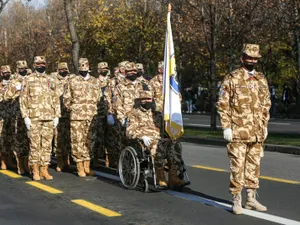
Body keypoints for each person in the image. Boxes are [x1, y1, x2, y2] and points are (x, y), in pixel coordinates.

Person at [217, 44, 271, 215]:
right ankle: (237, 199)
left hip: (256, 133)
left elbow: (266, 105)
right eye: (249, 58)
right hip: (238, 131)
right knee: (237, 166)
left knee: (254, 166)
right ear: (242, 58)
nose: (252, 61)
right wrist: (226, 127)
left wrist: (265, 125)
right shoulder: (232, 78)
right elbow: (222, 104)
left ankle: (251, 198)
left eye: (255, 58)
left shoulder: (261, 79)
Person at [20, 56, 61, 181]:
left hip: (49, 116)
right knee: (35, 144)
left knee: (47, 145)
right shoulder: (28, 79)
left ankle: (44, 169)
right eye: (38, 64)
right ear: (34, 65)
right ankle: (35, 170)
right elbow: (23, 99)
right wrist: (25, 116)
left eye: (43, 63)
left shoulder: (51, 79)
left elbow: (56, 98)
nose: (41, 65)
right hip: (34, 117)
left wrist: (57, 115)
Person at [150, 61, 185, 189]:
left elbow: (178, 97)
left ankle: (173, 177)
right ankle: (160, 177)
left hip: (171, 120)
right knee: (160, 149)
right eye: (165, 68)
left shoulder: (172, 82)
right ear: (160, 70)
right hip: (158, 120)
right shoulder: (152, 83)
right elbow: (149, 102)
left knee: (175, 147)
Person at [63, 58, 101, 177]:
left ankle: (87, 166)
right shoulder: (72, 81)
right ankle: (79, 166)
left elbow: (99, 98)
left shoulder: (95, 81)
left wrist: (92, 108)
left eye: (86, 66)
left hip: (91, 116)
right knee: (77, 141)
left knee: (90, 140)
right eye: (81, 66)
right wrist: (74, 109)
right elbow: (66, 99)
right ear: (79, 67)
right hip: (77, 117)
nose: (84, 68)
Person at [4, 61, 30, 174]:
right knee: (19, 140)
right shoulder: (13, 82)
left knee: (29, 140)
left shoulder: (31, 80)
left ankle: (27, 164)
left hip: (29, 115)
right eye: (21, 68)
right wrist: (17, 92)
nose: (23, 70)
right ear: (17, 69)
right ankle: (20, 165)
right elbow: (6, 96)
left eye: (25, 68)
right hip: (17, 115)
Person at [52, 62, 72, 172]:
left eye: (65, 69)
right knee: (58, 139)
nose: (63, 71)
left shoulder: (71, 80)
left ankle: (67, 160)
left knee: (68, 138)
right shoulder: (53, 81)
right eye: (61, 69)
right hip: (58, 114)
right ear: (58, 70)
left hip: (69, 114)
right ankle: (59, 161)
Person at [0, 65, 17, 170]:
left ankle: (9, 160)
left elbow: (18, 95)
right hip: (1, 116)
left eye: (8, 72)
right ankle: (2, 161)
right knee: (2, 139)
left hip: (11, 115)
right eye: (4, 72)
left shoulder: (15, 84)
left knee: (10, 138)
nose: (7, 74)